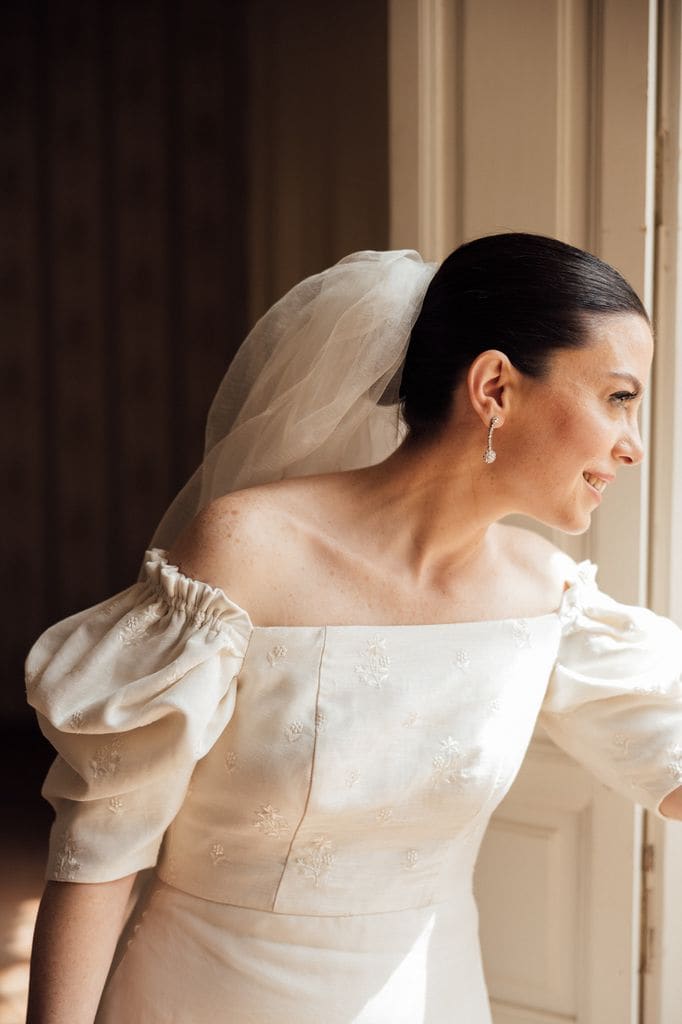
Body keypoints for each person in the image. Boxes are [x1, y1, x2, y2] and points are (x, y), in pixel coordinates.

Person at [25, 233, 682, 1024]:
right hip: (204, 998)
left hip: (435, 1000)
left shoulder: (548, 597)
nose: (634, 445)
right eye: (618, 397)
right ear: (496, 387)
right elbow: (100, 846)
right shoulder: (246, 550)